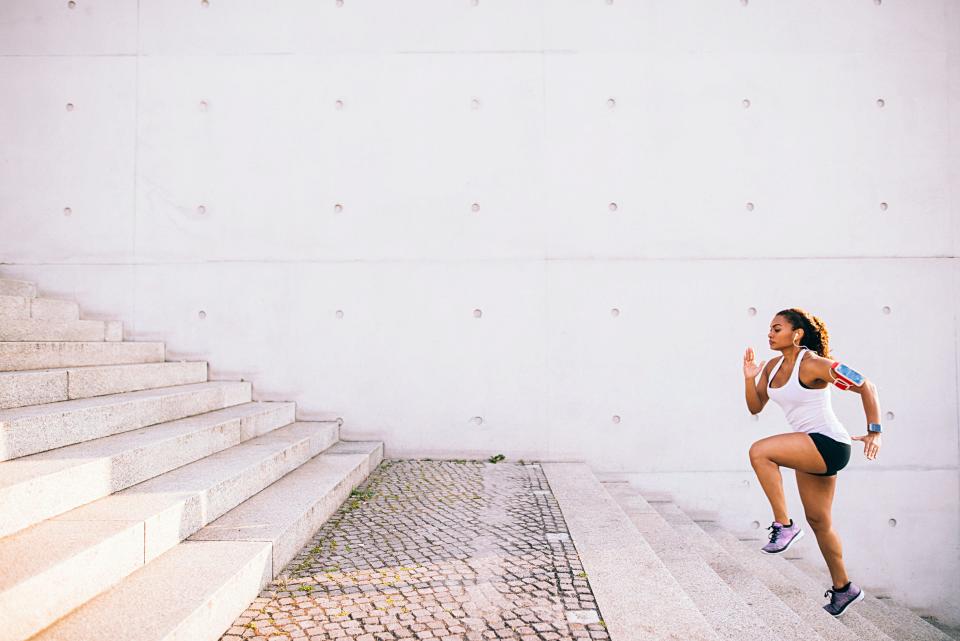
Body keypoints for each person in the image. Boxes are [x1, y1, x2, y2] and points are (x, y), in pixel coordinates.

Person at [742, 308, 883, 617]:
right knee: (820, 522)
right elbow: (755, 406)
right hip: (808, 448)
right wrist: (749, 379)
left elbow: (866, 386)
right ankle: (844, 588)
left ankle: (785, 526)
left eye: (777, 329)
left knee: (760, 451)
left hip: (830, 443)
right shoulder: (770, 368)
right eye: (769, 328)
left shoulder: (814, 365)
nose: (770, 333)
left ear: (797, 334)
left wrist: (875, 432)